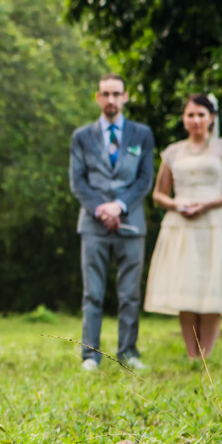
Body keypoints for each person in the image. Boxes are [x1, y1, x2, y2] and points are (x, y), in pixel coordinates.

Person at [143, 94, 222, 359]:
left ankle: (206, 354)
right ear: (183, 118)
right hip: (181, 227)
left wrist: (207, 204)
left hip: (216, 225)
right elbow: (159, 194)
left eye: (201, 115)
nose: (196, 120)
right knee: (187, 287)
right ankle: (192, 355)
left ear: (212, 118)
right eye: (190, 115)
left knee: (211, 288)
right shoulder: (172, 152)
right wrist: (177, 205)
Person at [70, 74, 157, 371]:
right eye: (105, 94)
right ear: (98, 97)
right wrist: (101, 209)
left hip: (131, 224)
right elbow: (77, 182)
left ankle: (128, 352)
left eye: (116, 94)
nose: (110, 100)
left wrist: (119, 206)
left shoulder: (142, 134)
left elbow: (145, 179)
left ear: (125, 97)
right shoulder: (81, 136)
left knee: (130, 293)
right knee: (92, 293)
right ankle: (90, 356)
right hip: (93, 225)